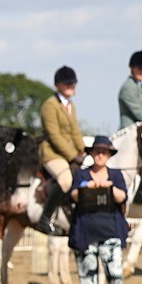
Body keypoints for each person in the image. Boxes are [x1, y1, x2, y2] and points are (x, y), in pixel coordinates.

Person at [68, 136, 130, 284]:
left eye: (104, 152)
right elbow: (74, 194)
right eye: (97, 151)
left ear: (109, 155)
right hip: (86, 232)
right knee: (87, 276)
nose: (100, 155)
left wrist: (109, 187)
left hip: (110, 231)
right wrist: (88, 186)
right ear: (91, 153)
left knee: (115, 275)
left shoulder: (116, 175)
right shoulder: (81, 175)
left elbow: (123, 197)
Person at [36, 65, 86, 235]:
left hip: (70, 154)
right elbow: (54, 135)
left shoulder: (71, 106)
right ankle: (44, 218)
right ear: (57, 85)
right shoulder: (49, 106)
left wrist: (84, 151)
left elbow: (75, 131)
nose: (71, 86)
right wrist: (73, 156)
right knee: (65, 180)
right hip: (52, 153)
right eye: (67, 84)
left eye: (73, 83)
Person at [118, 50, 142, 131]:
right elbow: (140, 114)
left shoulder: (138, 86)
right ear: (132, 68)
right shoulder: (128, 88)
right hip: (129, 133)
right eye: (139, 68)